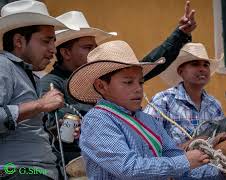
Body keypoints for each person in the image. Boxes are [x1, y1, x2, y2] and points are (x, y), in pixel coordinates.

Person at [39, 1, 196, 164]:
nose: (94, 51)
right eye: (87, 47)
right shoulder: (50, 84)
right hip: (76, 161)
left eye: (139, 82)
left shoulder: (116, 82)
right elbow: (51, 121)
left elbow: (150, 63)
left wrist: (179, 35)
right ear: (65, 52)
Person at [67, 40, 223, 179]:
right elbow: (128, 168)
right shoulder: (98, 120)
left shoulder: (147, 120)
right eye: (128, 82)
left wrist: (223, 173)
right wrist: (185, 161)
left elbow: (179, 162)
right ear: (101, 86)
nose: (138, 89)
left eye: (140, 82)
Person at [0, 0, 77, 179]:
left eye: (54, 42)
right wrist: (40, 105)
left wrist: (56, 129)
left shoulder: (29, 74)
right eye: (46, 41)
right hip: (17, 171)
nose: (53, 49)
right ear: (19, 41)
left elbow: (25, 128)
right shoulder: (3, 65)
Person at [144, 43, 224, 147]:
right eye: (195, 64)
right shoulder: (163, 101)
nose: (202, 69)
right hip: (174, 163)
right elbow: (148, 143)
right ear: (181, 71)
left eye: (206, 65)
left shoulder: (215, 105)